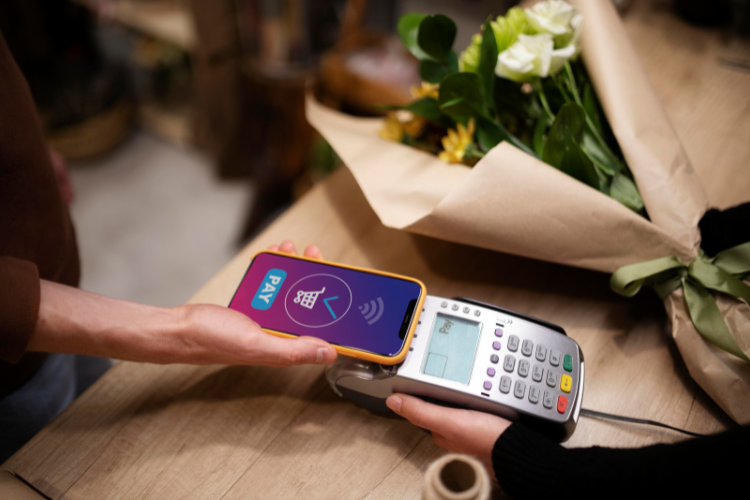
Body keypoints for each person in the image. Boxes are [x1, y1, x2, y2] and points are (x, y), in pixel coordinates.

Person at [0, 28, 337, 462]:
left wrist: (23, 144)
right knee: (63, 469)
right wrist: (181, 330)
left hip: (56, 285)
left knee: (101, 411)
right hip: (11, 374)